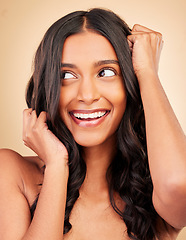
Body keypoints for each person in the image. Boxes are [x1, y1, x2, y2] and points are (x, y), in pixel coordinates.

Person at [0, 8, 185, 240]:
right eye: (66, 75)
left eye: (106, 72)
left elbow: (179, 184)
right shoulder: (12, 173)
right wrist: (57, 166)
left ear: (130, 83)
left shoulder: (152, 192)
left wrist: (147, 73)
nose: (87, 95)